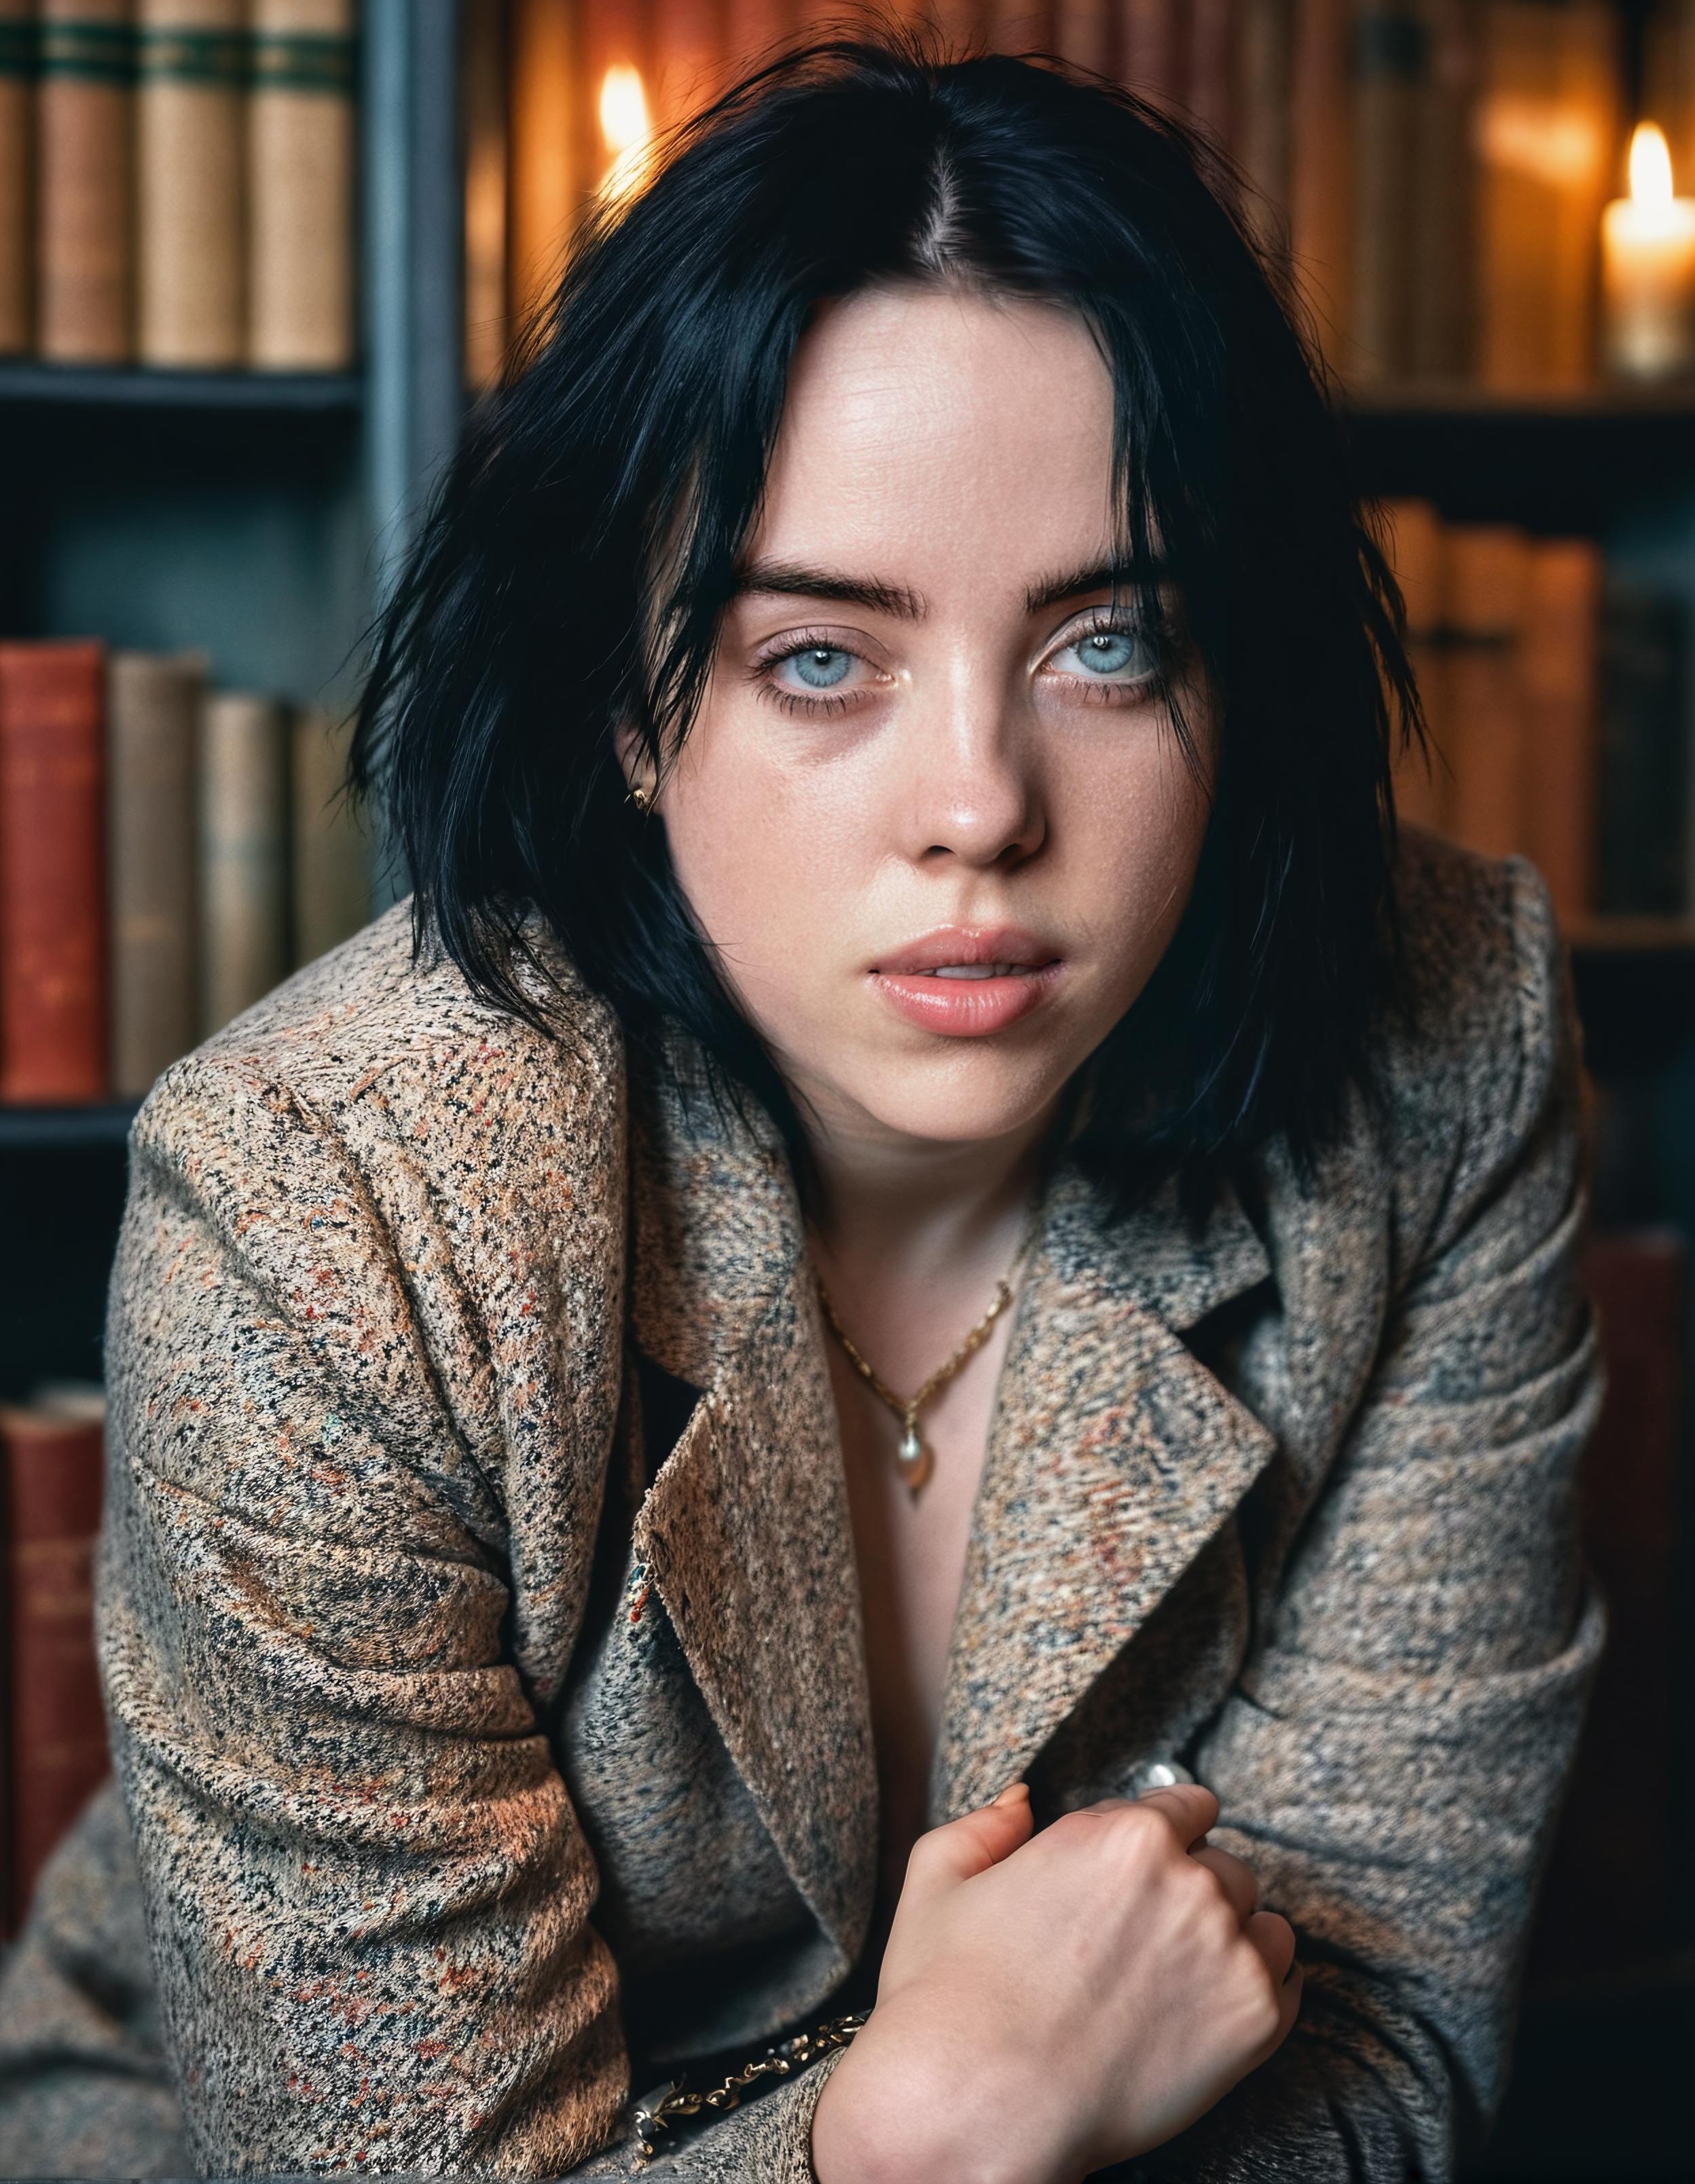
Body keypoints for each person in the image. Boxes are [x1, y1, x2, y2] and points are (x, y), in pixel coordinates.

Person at [0, 31, 1602, 2184]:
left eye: (1107, 644)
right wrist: (918, 2137)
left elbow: (1389, 2052)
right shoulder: (325, 1208)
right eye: (821, 662)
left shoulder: (1451, 1044)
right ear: (631, 719)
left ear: (1240, 675)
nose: (978, 809)